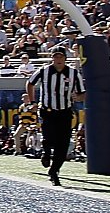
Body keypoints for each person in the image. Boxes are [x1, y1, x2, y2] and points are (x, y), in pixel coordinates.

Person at [26, 46, 85, 186]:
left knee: (63, 145)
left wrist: (78, 97)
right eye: (56, 57)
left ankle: (54, 171)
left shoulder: (73, 73)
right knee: (48, 138)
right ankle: (45, 153)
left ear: (65, 58)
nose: (58, 60)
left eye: (61, 57)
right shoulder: (44, 71)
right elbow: (30, 83)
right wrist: (33, 102)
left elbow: (83, 93)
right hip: (48, 111)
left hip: (65, 112)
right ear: (52, 58)